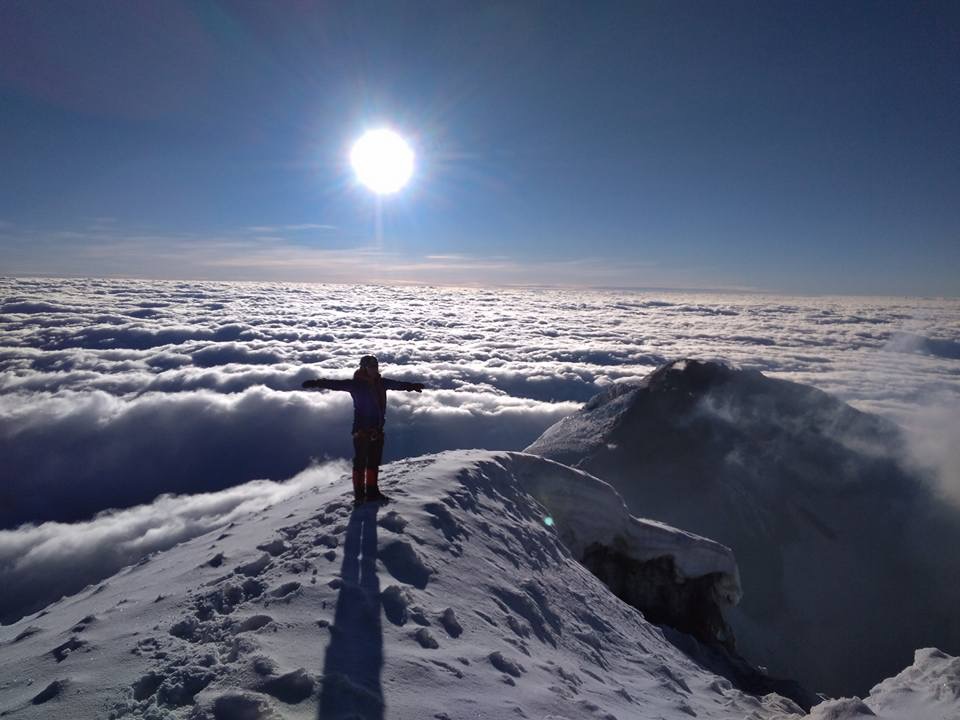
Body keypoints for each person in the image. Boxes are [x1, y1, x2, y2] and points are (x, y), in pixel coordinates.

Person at [302, 355, 426, 506]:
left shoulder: (381, 382)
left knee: (373, 463)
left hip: (377, 430)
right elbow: (334, 384)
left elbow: (397, 384)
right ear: (363, 368)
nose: (374, 370)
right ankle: (360, 496)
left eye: (376, 367)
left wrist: (412, 386)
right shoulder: (356, 385)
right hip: (361, 431)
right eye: (371, 367)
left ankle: (372, 492)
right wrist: (316, 383)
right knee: (360, 463)